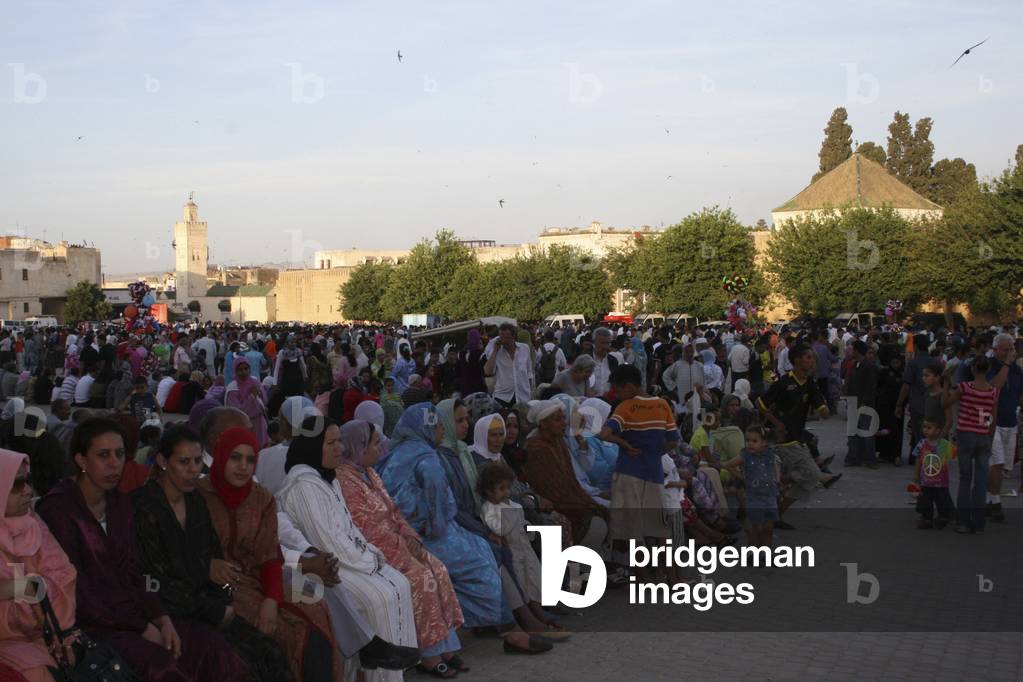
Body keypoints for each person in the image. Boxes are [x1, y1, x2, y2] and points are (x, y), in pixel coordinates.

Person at [37, 417, 245, 681]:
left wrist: (162, 618)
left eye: (120, 454)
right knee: (161, 667)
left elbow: (137, 572)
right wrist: (143, 626)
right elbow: (79, 590)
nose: (114, 464)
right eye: (103, 455)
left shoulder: (119, 505)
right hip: (90, 625)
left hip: (136, 613)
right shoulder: (59, 511)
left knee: (209, 648)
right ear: (81, 460)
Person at [377, 404, 552, 655]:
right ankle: (509, 629)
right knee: (482, 561)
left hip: (406, 532)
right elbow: (437, 501)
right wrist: (439, 529)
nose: (441, 431)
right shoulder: (427, 458)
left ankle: (506, 625)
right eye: (438, 426)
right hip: (429, 534)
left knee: (485, 551)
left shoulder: (398, 453)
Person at [132, 425, 291, 681]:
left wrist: (224, 601)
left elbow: (213, 558)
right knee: (234, 663)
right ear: (162, 461)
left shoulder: (194, 501)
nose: (193, 469)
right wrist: (216, 610)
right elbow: (155, 580)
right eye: (184, 462)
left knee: (269, 652)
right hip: (168, 612)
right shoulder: (143, 507)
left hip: (207, 602)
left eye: (197, 461)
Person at [276, 417, 419, 680]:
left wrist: (372, 555)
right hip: (326, 565)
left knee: (400, 584)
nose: (339, 449)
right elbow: (327, 542)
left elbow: (349, 527)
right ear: (312, 447)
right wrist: (368, 562)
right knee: (377, 599)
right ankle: (373, 669)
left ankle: (393, 672)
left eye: (340, 441)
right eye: (331, 443)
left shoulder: (326, 478)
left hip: (342, 561)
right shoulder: (304, 485)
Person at [199, 426, 341, 682]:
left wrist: (271, 600)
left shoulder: (261, 499)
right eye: (235, 458)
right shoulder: (199, 495)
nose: (243, 466)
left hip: (261, 580)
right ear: (220, 457)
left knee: (315, 607)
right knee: (284, 635)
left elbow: (269, 556)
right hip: (217, 587)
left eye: (250, 459)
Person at [336, 420, 466, 678]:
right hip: (376, 551)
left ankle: (446, 647)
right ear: (358, 446)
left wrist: (410, 536)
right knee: (422, 579)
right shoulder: (345, 479)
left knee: (438, 568)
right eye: (374, 443)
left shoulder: (369, 472)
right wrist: (403, 547)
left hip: (398, 542)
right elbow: (365, 528)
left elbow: (393, 509)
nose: (380, 447)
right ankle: (428, 655)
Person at [0, 449, 77, 682]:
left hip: (48, 635)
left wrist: (19, 590)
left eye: (28, 481)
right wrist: (22, 590)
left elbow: (63, 578)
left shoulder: (33, 524)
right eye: (16, 485)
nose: (28, 491)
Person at [598, 364, 677, 576]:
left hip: (628, 472)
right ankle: (671, 577)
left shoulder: (625, 407)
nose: (618, 395)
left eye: (619, 390)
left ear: (630, 386)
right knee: (660, 529)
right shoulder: (662, 405)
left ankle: (643, 579)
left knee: (633, 530)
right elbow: (673, 441)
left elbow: (604, 434)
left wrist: (624, 444)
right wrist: (655, 453)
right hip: (654, 473)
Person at [757, 344, 842, 530]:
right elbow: (761, 403)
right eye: (808, 357)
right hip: (784, 438)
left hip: (799, 436)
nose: (812, 361)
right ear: (797, 360)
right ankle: (814, 479)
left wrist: (826, 410)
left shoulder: (810, 383)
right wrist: (775, 421)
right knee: (811, 474)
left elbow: (822, 408)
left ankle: (777, 512)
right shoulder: (782, 382)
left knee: (806, 481)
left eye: (812, 358)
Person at [943, 355, 999, 534]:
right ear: (988, 369)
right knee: (981, 480)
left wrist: (945, 383)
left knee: (965, 478)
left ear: (973, 368)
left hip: (966, 434)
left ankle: (962, 522)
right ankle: (979, 522)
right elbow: (993, 419)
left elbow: (946, 403)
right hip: (983, 435)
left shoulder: (965, 388)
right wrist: (988, 436)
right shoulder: (993, 392)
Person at [479, 462, 543, 611]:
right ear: (489, 491)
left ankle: (539, 608)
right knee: (520, 581)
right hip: (512, 551)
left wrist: (528, 528)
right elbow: (499, 529)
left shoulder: (514, 505)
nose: (506, 492)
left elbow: (522, 524)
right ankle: (528, 612)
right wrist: (512, 513)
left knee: (533, 578)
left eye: (508, 488)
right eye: (501, 489)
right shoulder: (488, 508)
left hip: (525, 548)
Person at [911, 419, 956, 530]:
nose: (925, 430)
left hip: (941, 482)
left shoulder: (944, 444)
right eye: (924, 427)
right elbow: (918, 459)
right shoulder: (922, 444)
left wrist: (956, 443)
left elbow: (954, 453)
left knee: (942, 501)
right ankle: (927, 519)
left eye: (929, 428)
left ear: (938, 431)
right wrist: (916, 475)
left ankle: (943, 517)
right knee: (925, 501)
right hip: (926, 481)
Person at [739, 425, 779, 548]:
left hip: (769, 495)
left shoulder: (769, 454)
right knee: (756, 528)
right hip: (754, 497)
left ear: (764, 443)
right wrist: (743, 478)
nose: (750, 444)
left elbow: (775, 466)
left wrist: (777, 480)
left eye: (754, 441)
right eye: (747, 440)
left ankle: (766, 553)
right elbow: (729, 465)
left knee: (768, 528)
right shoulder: (745, 455)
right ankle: (753, 553)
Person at [844, 340, 879, 469]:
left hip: (865, 404)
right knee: (853, 432)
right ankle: (854, 457)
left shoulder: (868, 366)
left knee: (867, 433)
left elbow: (871, 387)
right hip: (854, 401)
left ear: (857, 351)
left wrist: (864, 402)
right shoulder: (855, 365)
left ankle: (870, 459)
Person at [484, 323, 534, 408]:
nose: (504, 341)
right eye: (501, 338)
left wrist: (530, 392)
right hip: (502, 397)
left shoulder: (524, 348)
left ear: (514, 337)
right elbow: (487, 371)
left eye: (506, 338)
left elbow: (529, 373)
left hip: (523, 397)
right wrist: (495, 350)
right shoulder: (497, 351)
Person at [225, 357, 269, 448]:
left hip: (259, 423)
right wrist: (252, 397)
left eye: (246, 368)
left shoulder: (254, 381)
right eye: (240, 369)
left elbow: (264, 400)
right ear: (235, 371)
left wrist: (260, 394)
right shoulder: (233, 388)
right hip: (243, 425)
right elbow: (237, 412)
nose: (244, 372)